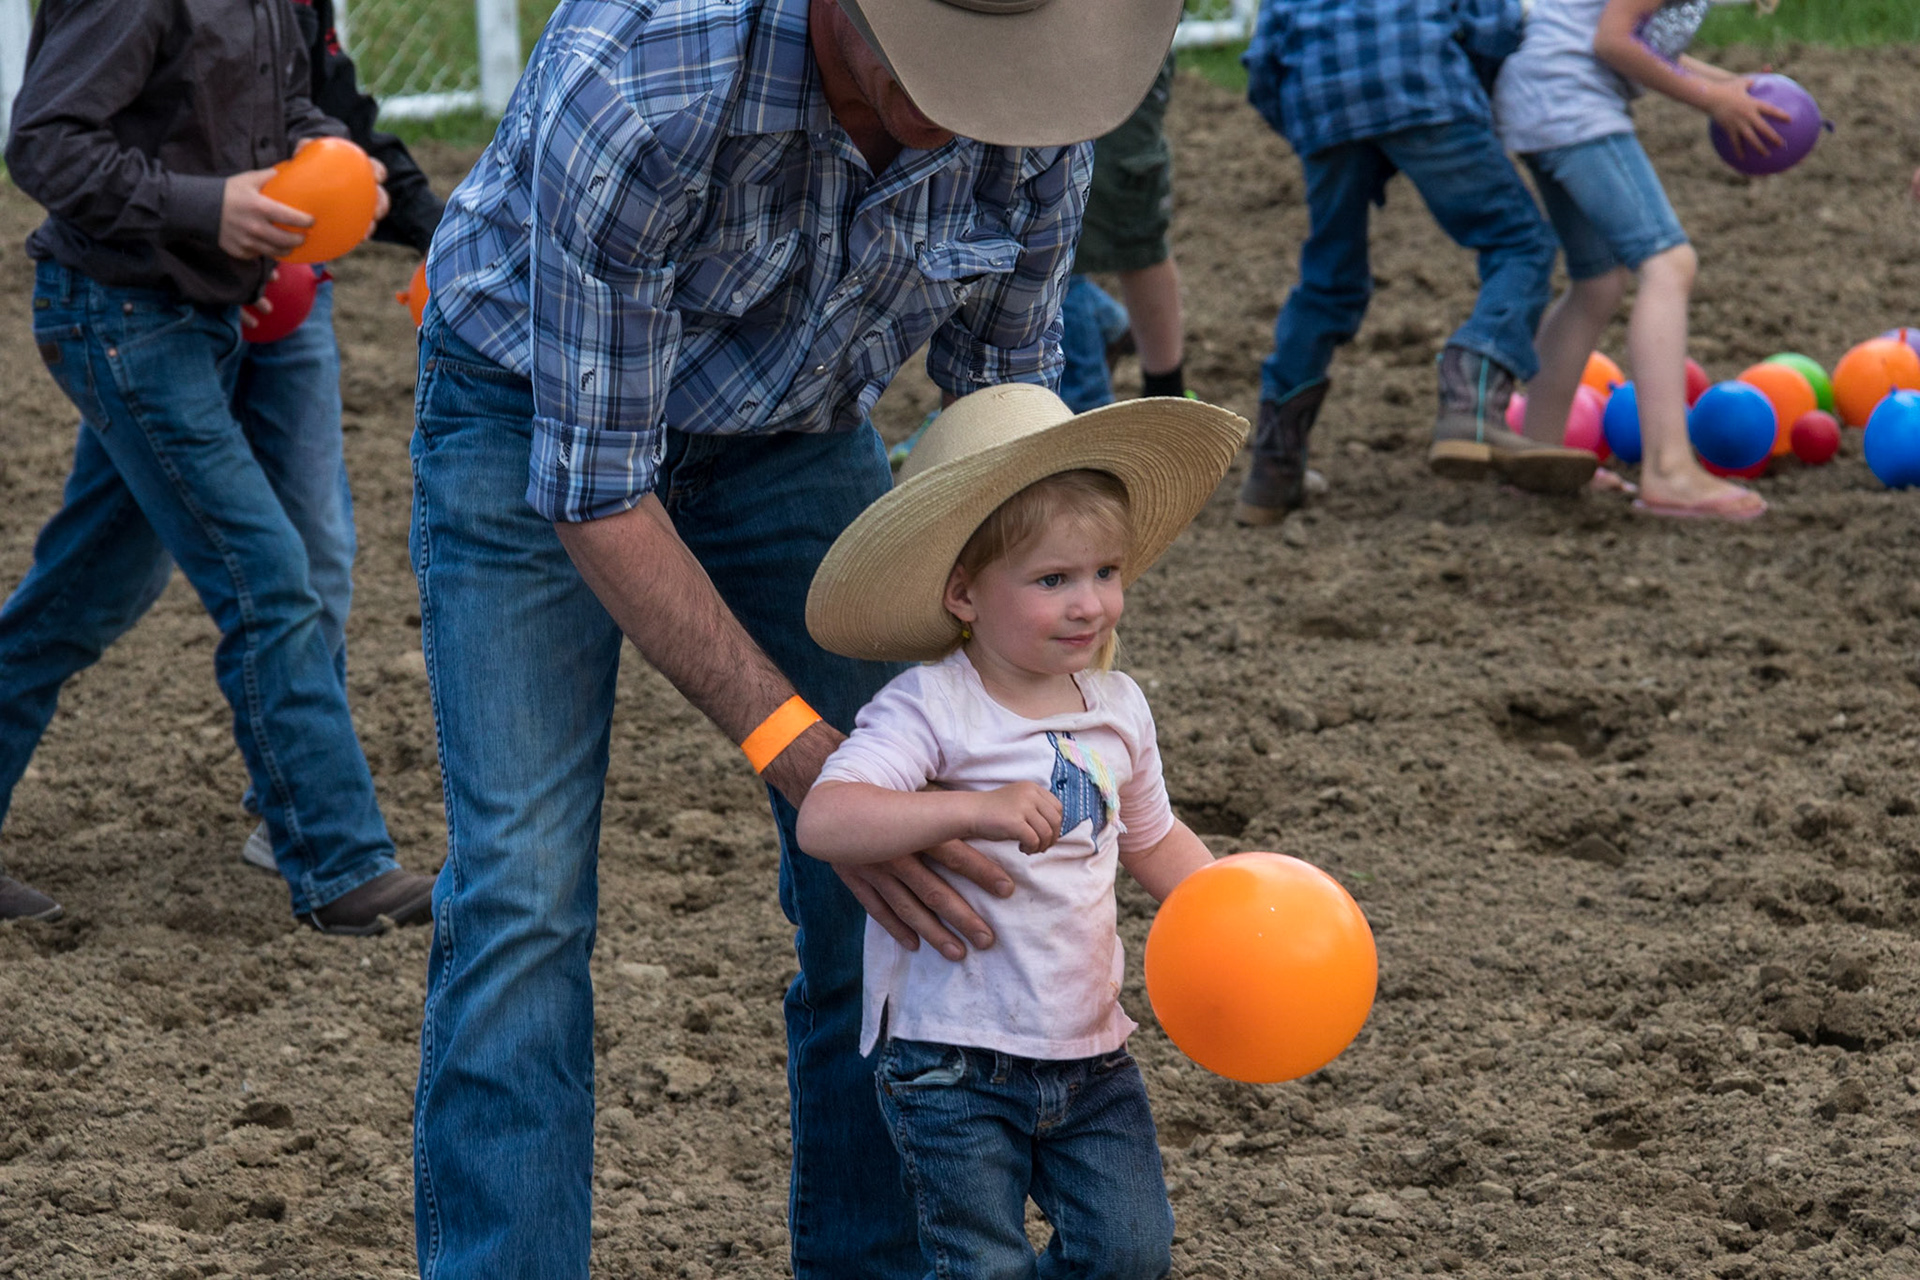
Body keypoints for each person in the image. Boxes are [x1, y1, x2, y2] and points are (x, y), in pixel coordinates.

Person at [406, 0, 1185, 1273]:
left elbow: (1004, 405)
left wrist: (1038, 654)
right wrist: (800, 748)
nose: (969, 111)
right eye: (939, 69)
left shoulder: (1034, 113)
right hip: (530, 407)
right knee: (522, 891)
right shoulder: (648, 73)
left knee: (897, 876)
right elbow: (597, 488)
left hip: (799, 424)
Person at [0, 0, 435, 934]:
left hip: (191, 318)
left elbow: (279, 102)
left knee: (82, 598)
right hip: (121, 320)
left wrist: (327, 151)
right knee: (269, 577)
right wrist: (208, 206)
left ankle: (327, 851)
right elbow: (41, 142)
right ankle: (340, 865)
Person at [796, 383, 1241, 1276]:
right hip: (951, 1057)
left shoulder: (1117, 708)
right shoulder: (930, 706)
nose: (1090, 604)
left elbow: (1152, 837)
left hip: (1091, 1050)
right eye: (1053, 580)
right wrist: (970, 807)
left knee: (1129, 1251)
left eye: (1105, 573)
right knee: (982, 1264)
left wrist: (1236, 911)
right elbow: (827, 818)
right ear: (964, 593)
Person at [1236, 0, 1598, 526]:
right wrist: (1469, 96)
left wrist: (1311, 131)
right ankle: (1472, 399)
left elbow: (1263, 62)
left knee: (1328, 282)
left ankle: (1273, 470)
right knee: (1521, 243)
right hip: (1421, 86)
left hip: (1324, 106)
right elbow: (1494, 26)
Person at [234, 0, 446, 872]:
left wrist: (439, 228)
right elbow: (67, 141)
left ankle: (293, 802)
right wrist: (197, 224)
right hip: (159, 306)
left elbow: (335, 111)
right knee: (98, 584)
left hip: (288, 296)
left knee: (317, 552)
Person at [1494, 0, 1781, 520]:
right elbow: (1613, 41)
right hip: (1569, 99)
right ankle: (1669, 470)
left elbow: (1645, 42)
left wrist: (1728, 84)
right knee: (1669, 262)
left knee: (1599, 281)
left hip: (1543, 96)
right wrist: (1713, 99)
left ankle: (1538, 458)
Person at [1058, 51, 1188, 413]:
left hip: (1113, 50)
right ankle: (1103, 327)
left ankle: (1097, 405)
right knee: (1033, 224)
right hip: (1023, 47)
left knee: (1130, 229)